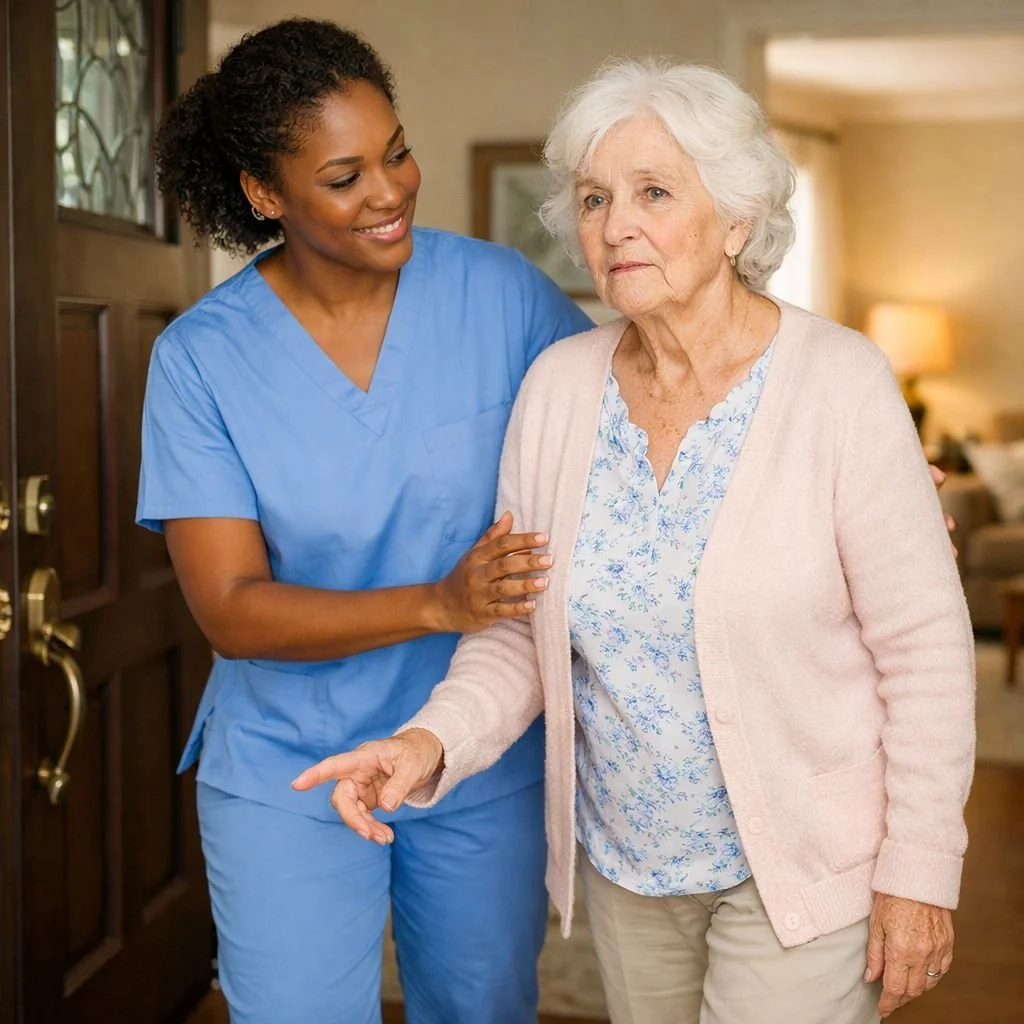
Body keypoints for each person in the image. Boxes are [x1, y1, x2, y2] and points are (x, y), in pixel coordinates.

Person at [295, 59, 975, 1024]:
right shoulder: (558, 390)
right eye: (594, 199)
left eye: (654, 192)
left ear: (736, 219)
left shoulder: (842, 384)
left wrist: (920, 869)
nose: (616, 226)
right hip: (628, 866)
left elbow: (927, 654)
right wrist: (425, 741)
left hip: (808, 856)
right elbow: (518, 630)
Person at [136, 17, 592, 1024]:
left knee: (480, 1008)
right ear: (266, 193)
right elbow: (231, 608)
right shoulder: (201, 360)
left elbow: (639, 418)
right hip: (287, 765)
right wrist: (438, 602)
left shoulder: (502, 296)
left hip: (473, 748)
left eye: (396, 153)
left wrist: (829, 466)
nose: (389, 191)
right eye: (344, 178)